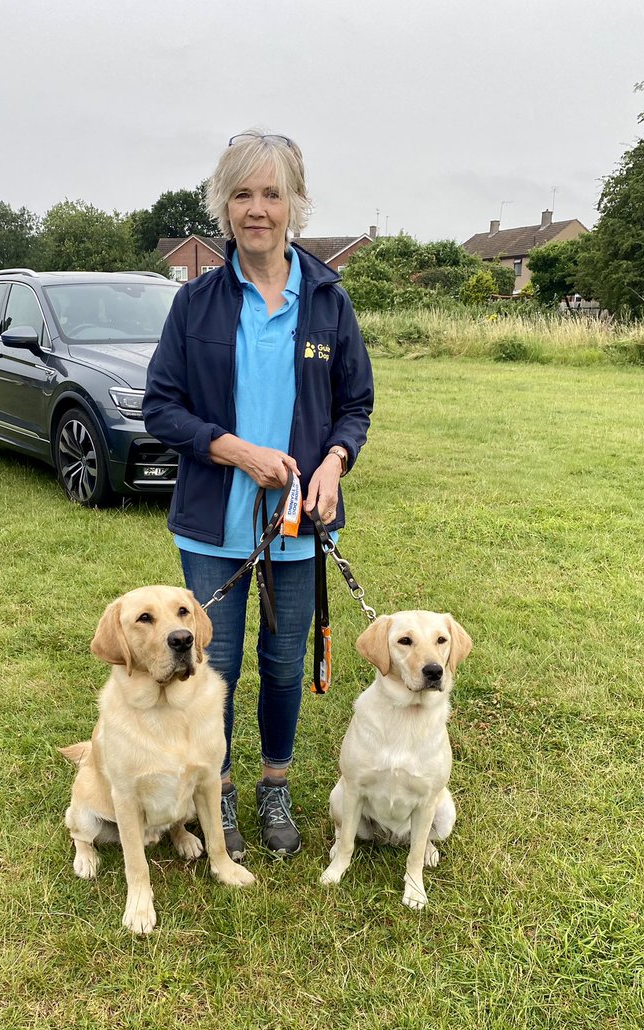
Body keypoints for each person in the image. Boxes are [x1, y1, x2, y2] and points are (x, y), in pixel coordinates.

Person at [143, 130, 374, 861]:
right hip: (214, 526)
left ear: (294, 205)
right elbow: (161, 407)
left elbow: (354, 405)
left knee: (281, 662)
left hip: (299, 526)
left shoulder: (330, 304)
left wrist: (334, 462)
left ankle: (276, 782)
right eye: (242, 194)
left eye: (271, 193)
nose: (257, 209)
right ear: (224, 205)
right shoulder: (198, 304)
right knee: (217, 665)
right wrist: (236, 450)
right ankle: (223, 788)